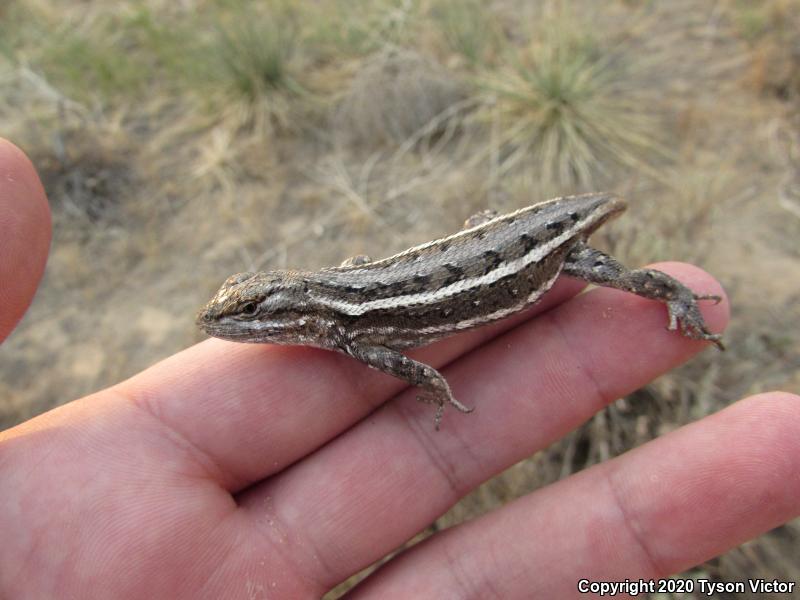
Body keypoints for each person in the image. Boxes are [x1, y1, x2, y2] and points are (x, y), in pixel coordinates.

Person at [0, 137, 797, 599]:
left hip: (542, 247)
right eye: (246, 316)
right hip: (498, 239)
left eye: (255, 315)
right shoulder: (333, 309)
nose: (235, 330)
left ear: (298, 312)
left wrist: (440, 390)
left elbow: (415, 371)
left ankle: (684, 306)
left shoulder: (346, 331)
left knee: (617, 280)